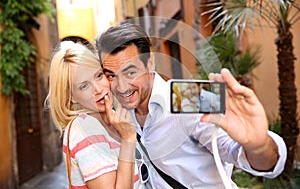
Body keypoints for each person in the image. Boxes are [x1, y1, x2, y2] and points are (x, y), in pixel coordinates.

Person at [96, 23, 287, 188]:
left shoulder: (190, 94)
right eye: (111, 75)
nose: (120, 87)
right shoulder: (122, 114)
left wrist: (259, 147)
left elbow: (236, 150)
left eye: (130, 73)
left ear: (150, 63)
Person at [45, 41, 151, 188]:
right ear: (72, 96)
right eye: (84, 86)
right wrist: (128, 138)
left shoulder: (110, 119)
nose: (98, 89)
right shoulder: (85, 128)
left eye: (99, 75)